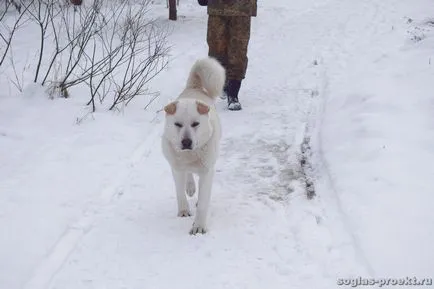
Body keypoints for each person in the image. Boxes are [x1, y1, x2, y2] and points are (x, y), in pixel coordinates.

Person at [198, 0, 257, 111]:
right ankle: (224, 81)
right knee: (216, 48)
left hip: (241, 8)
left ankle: (233, 93)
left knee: (238, 50)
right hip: (217, 7)